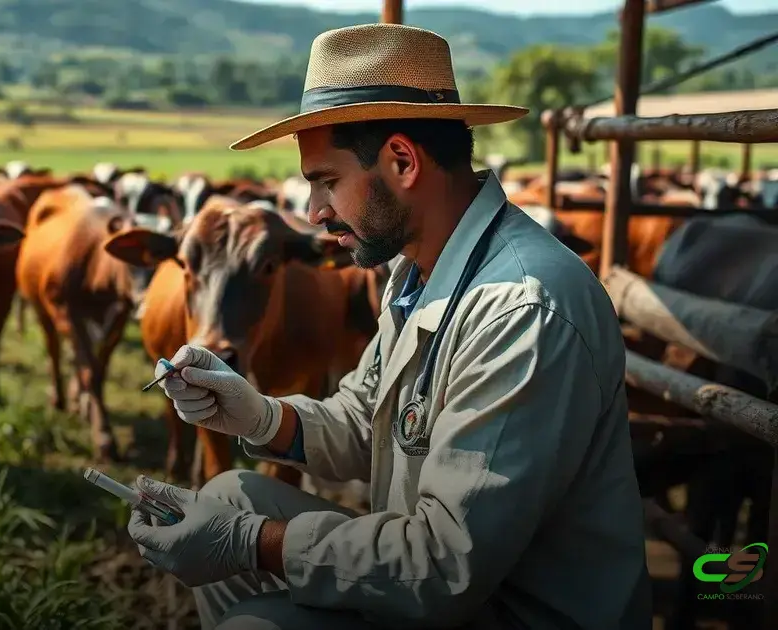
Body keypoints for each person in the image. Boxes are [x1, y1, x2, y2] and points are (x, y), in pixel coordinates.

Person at [126, 23, 652, 630]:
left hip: (510, 609)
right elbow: (364, 418)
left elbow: (443, 564)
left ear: (402, 161)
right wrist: (258, 416)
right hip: (444, 581)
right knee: (228, 495)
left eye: (327, 181)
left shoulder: (521, 312)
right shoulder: (418, 273)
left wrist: (253, 544)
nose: (316, 213)